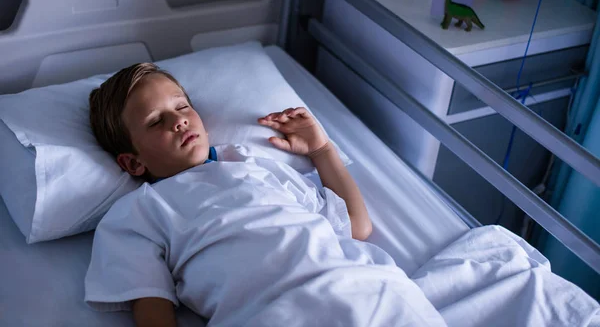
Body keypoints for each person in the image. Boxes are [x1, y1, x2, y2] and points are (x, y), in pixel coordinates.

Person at [85, 63, 446, 327]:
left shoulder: (251, 163)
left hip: (367, 289)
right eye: (155, 122)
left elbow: (355, 226)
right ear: (132, 163)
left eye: (181, 107)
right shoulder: (138, 212)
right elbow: (153, 309)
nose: (178, 121)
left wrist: (322, 151)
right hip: (274, 311)